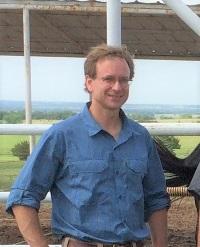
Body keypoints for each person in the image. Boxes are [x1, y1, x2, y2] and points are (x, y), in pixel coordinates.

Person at [6, 44, 170, 247]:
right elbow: (23, 198)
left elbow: (156, 200)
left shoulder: (140, 137)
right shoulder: (62, 135)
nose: (117, 87)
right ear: (89, 83)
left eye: (124, 80)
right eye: (108, 79)